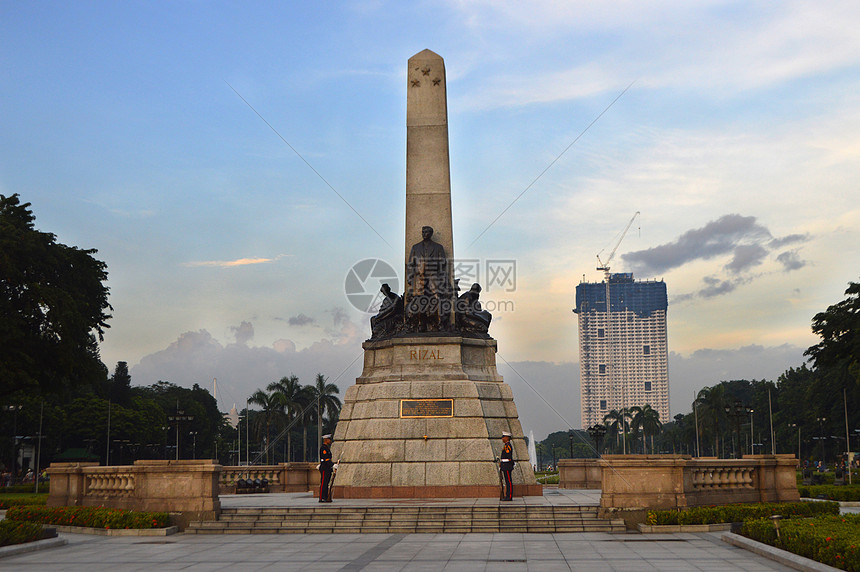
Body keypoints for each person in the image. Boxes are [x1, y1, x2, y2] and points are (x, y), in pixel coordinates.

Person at [319, 434, 334, 503]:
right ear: (326, 440)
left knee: (326, 482)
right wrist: (332, 465)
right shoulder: (323, 448)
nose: (330, 441)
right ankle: (321, 497)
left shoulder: (327, 448)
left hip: (327, 468)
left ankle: (325, 496)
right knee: (323, 483)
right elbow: (326, 458)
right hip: (325, 467)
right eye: (329, 439)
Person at [500, 431, 514, 501]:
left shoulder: (508, 446)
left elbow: (509, 457)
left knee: (509, 481)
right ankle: (507, 495)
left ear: (507, 438)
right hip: (505, 465)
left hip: (507, 465)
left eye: (503, 437)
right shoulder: (506, 445)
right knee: (507, 481)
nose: (502, 438)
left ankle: (509, 496)